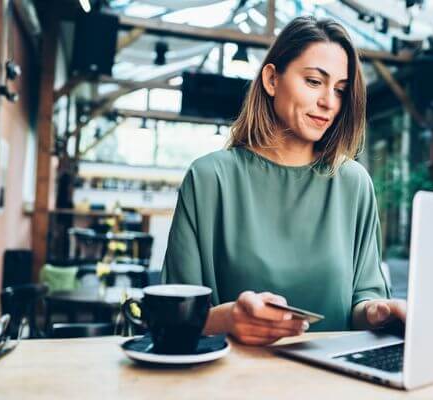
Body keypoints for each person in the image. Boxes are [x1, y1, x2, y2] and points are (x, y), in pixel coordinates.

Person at [162, 16, 406, 346]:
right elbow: (172, 317)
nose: (329, 102)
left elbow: (364, 300)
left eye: (340, 90)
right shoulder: (209, 179)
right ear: (272, 79)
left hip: (335, 385)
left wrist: (380, 312)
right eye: (314, 82)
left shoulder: (353, 183)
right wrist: (226, 319)